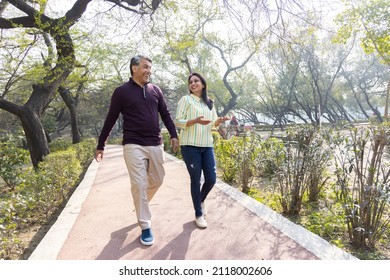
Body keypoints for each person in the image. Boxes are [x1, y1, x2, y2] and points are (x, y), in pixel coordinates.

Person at [95, 55, 179, 246]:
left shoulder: (155, 90)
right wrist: (101, 144)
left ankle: (140, 203)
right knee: (139, 184)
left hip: (155, 143)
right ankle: (145, 225)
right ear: (134, 68)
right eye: (145, 67)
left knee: (158, 179)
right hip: (133, 144)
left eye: (150, 67)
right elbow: (111, 118)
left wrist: (173, 134)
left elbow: (165, 113)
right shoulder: (121, 92)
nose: (149, 71)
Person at [175, 72, 229, 229]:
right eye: (190, 82)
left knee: (211, 179)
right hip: (190, 146)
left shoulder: (209, 102)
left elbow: (213, 124)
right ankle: (198, 214)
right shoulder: (186, 100)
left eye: (196, 81)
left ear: (203, 84)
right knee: (196, 179)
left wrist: (219, 121)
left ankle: (200, 199)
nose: (192, 83)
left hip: (207, 145)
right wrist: (194, 121)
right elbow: (178, 121)